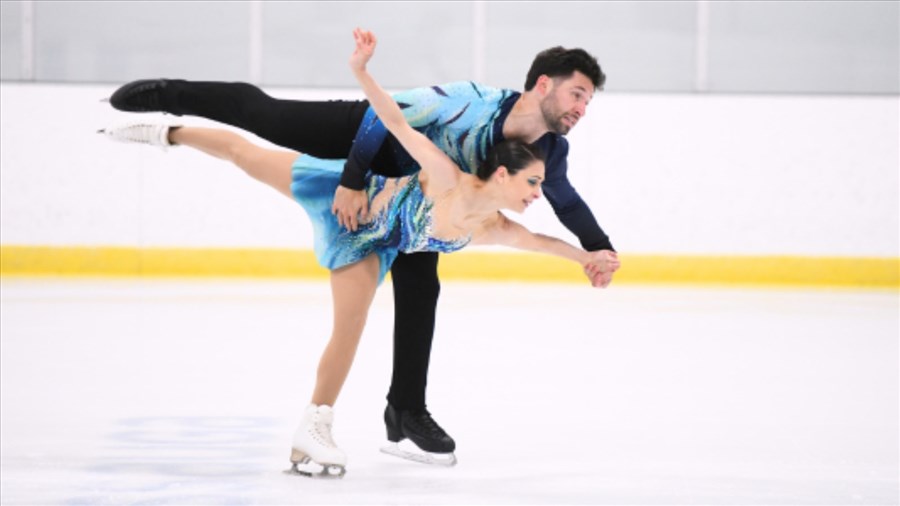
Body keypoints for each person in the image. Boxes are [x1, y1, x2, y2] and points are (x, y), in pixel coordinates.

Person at [101, 28, 620, 477]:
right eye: (577, 94)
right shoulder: (474, 100)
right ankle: (171, 96)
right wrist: (351, 181)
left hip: (415, 201)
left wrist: (598, 250)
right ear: (543, 84)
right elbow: (388, 118)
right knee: (270, 121)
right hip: (367, 145)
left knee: (423, 289)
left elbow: (563, 203)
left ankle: (406, 410)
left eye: (588, 102)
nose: (581, 108)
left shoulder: (549, 151)